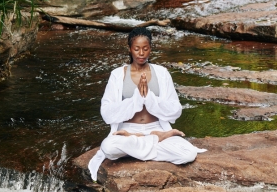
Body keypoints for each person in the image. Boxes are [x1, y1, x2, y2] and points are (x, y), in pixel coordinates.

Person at [88, 27, 206, 181]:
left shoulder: (162, 73)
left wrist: (150, 98)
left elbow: (175, 109)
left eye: (145, 48)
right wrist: (135, 99)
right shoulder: (117, 74)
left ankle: (148, 139)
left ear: (151, 49)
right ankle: (154, 139)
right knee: (108, 148)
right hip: (128, 131)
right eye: (137, 49)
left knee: (188, 154)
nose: (141, 53)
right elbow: (107, 112)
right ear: (130, 49)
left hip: (156, 128)